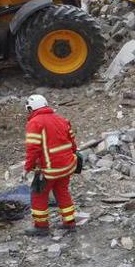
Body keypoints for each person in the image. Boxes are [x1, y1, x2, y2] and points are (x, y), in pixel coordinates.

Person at [24, 95, 80, 233]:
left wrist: (27, 168)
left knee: (39, 195)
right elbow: (73, 143)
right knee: (62, 191)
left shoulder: (35, 123)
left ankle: (41, 227)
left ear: (31, 108)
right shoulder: (62, 119)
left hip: (50, 169)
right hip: (67, 166)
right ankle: (70, 222)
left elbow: (33, 149)